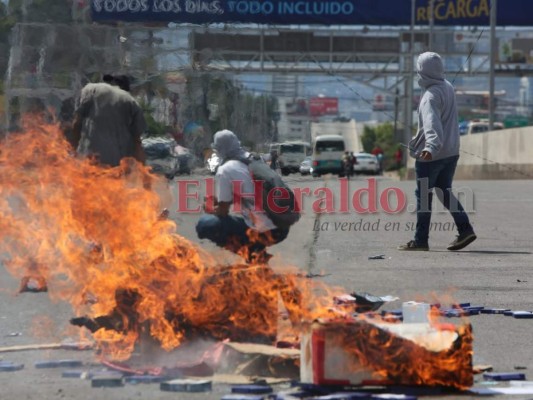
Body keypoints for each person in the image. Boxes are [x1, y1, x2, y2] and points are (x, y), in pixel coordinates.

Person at [398, 52, 476, 252]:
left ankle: (420, 240)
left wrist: (430, 148)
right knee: (444, 191)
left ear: (421, 72)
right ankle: (465, 229)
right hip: (451, 152)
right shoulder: (448, 87)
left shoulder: (429, 97)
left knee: (423, 196)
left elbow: (433, 126)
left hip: (432, 155)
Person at [195, 130, 289, 264]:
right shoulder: (256, 158)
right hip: (282, 228)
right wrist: (222, 200)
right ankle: (256, 252)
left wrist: (210, 209)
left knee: (206, 224)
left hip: (264, 230)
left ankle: (254, 255)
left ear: (220, 150)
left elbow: (222, 212)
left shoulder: (225, 170)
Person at [71, 74, 146, 167]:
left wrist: (73, 149)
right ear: (126, 87)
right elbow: (137, 143)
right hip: (115, 167)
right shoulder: (131, 101)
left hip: (86, 162)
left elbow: (76, 123)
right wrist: (143, 171)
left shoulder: (91, 89)